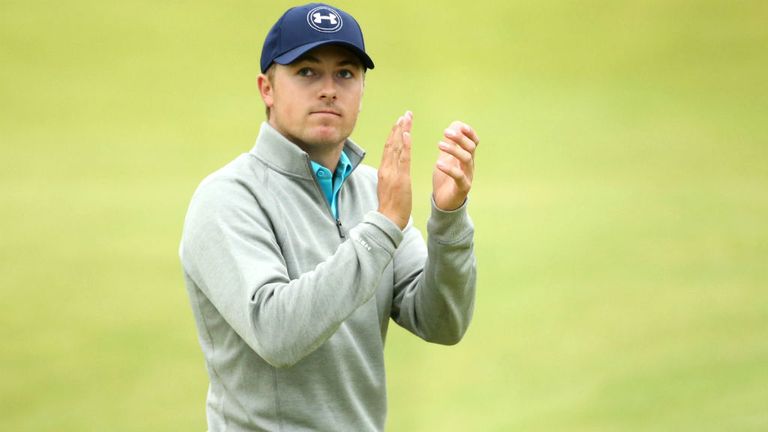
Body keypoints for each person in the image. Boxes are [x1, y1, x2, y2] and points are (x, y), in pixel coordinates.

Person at [179, 3, 480, 431]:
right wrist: (382, 227)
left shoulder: (376, 192)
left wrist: (448, 218)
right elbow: (276, 333)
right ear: (267, 88)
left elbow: (443, 322)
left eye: (345, 73)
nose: (328, 89)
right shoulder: (227, 198)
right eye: (306, 72)